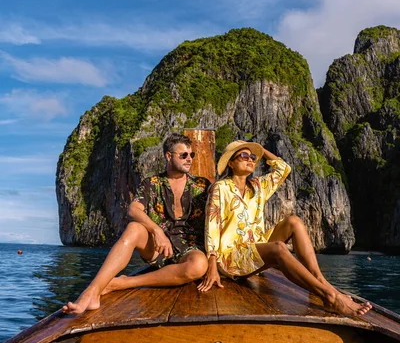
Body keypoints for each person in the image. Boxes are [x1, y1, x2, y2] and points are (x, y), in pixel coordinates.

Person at [198, 140, 372, 317]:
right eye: (243, 156)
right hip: (231, 256)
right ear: (231, 163)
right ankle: (330, 297)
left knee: (294, 221)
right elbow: (212, 226)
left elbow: (283, 168)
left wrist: (259, 149)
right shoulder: (221, 188)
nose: (250, 159)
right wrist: (212, 263)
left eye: (252, 157)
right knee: (278, 248)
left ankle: (320, 281)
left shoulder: (258, 187)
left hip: (257, 246)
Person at [63, 133, 210, 315]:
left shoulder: (202, 185)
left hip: (189, 248)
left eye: (191, 155)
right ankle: (91, 292)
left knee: (198, 265)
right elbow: (133, 209)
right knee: (134, 227)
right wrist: (156, 231)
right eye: (183, 155)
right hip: (159, 248)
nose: (189, 159)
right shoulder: (152, 183)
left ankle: (123, 283)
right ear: (168, 156)